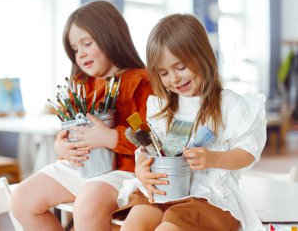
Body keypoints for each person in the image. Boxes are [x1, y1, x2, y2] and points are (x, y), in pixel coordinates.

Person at [113, 14, 266, 231]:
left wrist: (214, 158)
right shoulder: (162, 106)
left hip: (205, 195)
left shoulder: (229, 105)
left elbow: (248, 153)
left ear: (202, 56)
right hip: (161, 189)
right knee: (132, 226)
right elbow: (147, 150)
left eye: (181, 67)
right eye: (164, 73)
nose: (174, 79)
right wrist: (141, 169)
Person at [10, 0, 153, 231]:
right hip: (84, 167)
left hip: (126, 170)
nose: (81, 54)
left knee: (87, 207)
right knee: (21, 199)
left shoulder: (141, 82)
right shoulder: (80, 84)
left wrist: (109, 137)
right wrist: (62, 146)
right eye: (75, 49)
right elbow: (69, 130)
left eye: (87, 43)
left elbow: (150, 139)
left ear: (112, 36)